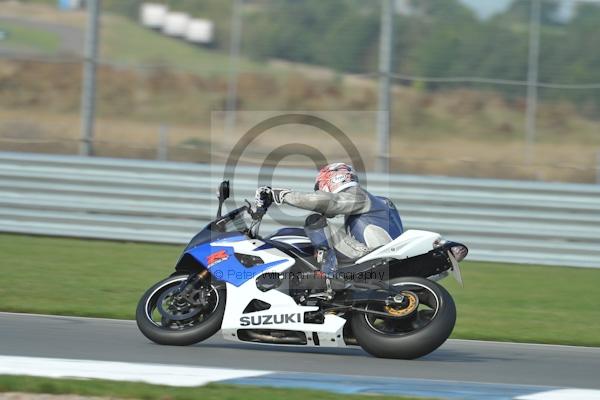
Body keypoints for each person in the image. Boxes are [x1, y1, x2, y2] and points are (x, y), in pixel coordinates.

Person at [255, 163, 404, 292]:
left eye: (320, 187)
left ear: (334, 179)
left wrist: (282, 195)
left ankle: (328, 274)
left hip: (374, 255)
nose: (320, 191)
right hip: (380, 255)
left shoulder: (359, 195)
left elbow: (330, 202)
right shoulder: (369, 201)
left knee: (315, 221)